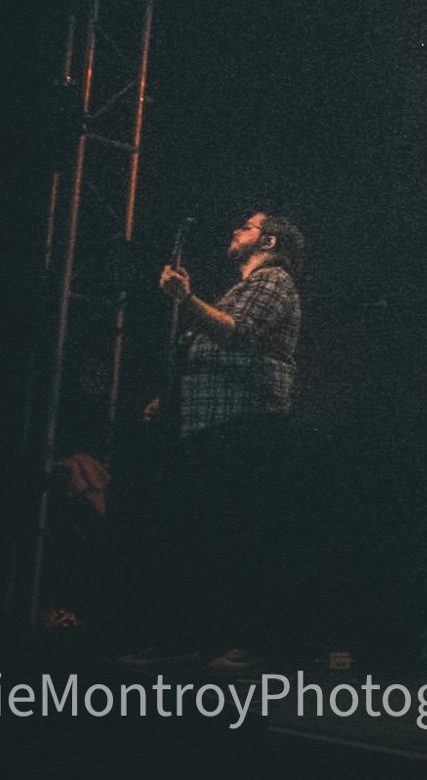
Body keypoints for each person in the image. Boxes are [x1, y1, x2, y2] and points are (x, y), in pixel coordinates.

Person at [133, 210, 305, 671]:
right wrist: (168, 398)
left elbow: (236, 333)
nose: (235, 231)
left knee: (237, 535)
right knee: (199, 535)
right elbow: (205, 343)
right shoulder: (239, 289)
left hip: (245, 423)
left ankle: (243, 642)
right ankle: (193, 637)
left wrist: (185, 298)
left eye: (246, 227)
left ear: (268, 241)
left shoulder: (272, 282)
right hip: (211, 425)